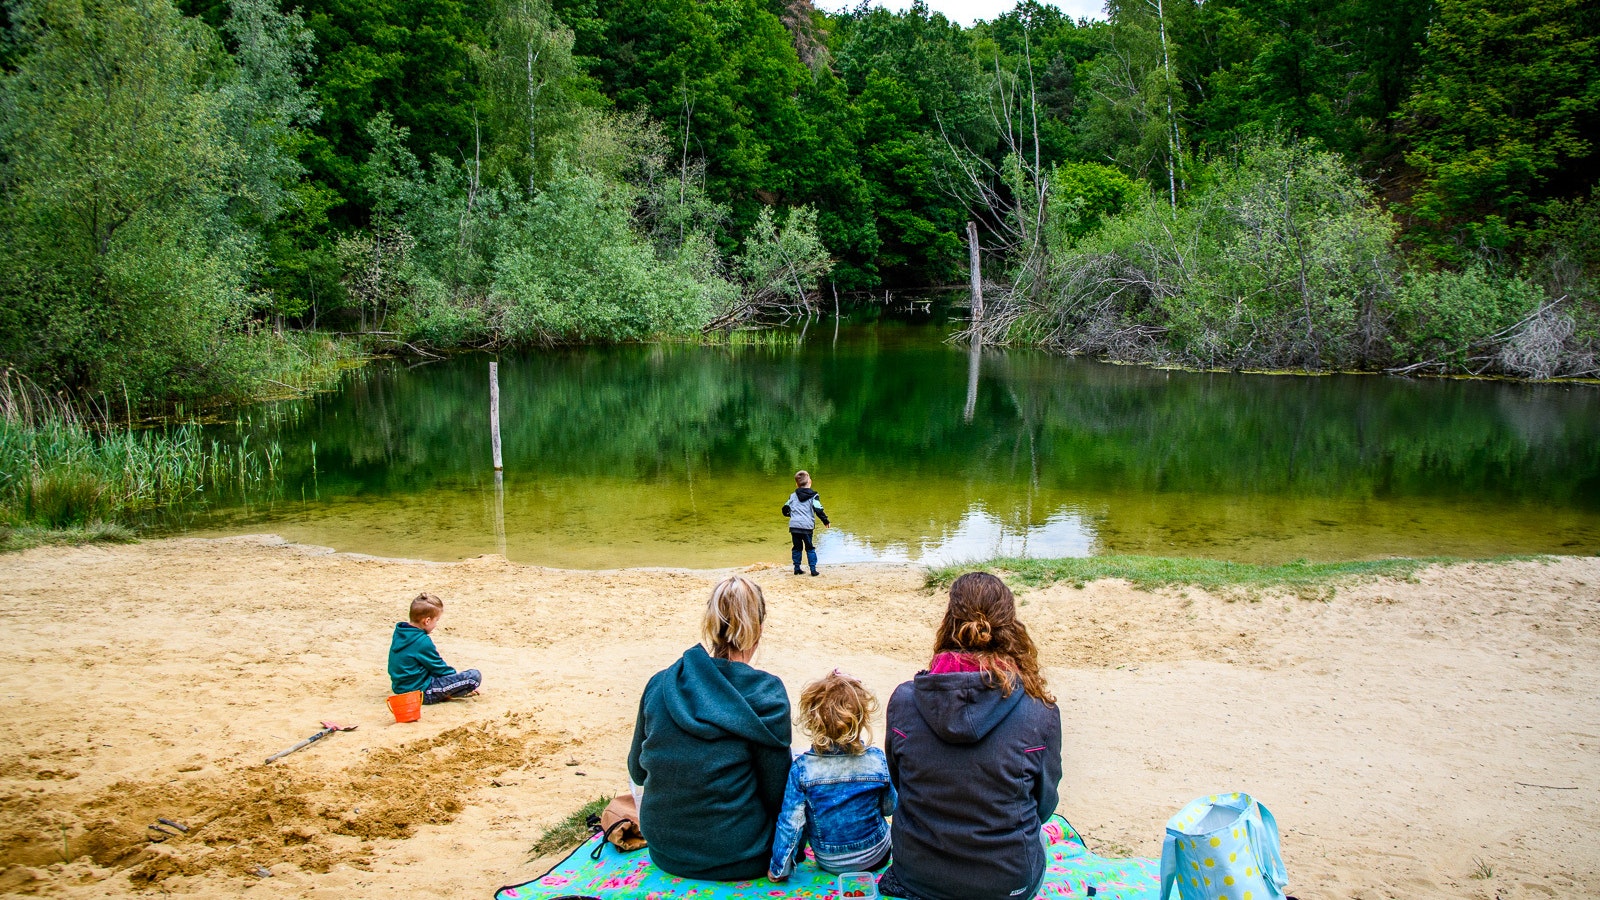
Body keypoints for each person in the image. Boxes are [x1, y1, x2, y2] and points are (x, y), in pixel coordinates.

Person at [880, 572, 1063, 900]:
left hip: (918, 875)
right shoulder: (1040, 712)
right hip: (1007, 883)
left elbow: (900, 783)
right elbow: (1044, 804)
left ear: (949, 623)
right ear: (1009, 627)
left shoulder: (905, 701)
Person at [626, 575, 792, 880]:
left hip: (665, 851)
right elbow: (778, 794)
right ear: (759, 629)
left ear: (710, 625)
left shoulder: (661, 683)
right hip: (742, 855)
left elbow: (637, 772)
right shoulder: (766, 694)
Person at [768, 670, 897, 881]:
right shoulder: (876, 760)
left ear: (814, 721)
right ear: (861, 720)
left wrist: (778, 868)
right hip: (875, 855)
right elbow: (890, 807)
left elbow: (790, 824)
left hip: (830, 861)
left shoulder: (803, 768)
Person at [388, 593, 482, 704]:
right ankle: (449, 693)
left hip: (400, 688)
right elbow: (439, 668)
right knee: (473, 677)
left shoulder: (400, 632)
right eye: (436, 621)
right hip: (420, 692)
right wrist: (456, 684)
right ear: (427, 621)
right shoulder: (422, 641)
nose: (436, 624)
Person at [783, 469, 830, 576]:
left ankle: (797, 568)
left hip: (794, 526)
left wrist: (791, 515)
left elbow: (785, 508)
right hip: (807, 527)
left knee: (797, 547)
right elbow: (818, 509)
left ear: (796, 484)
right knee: (810, 547)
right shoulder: (814, 496)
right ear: (810, 482)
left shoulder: (792, 496)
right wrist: (825, 520)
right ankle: (813, 570)